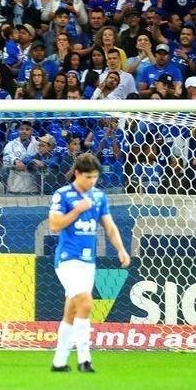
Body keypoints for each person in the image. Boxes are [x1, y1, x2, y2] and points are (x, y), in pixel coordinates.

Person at [47, 153, 131, 373]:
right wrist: (77, 210)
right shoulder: (63, 195)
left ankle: (59, 361)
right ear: (76, 173)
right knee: (86, 303)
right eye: (88, 177)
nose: (91, 182)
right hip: (67, 259)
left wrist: (121, 249)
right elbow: (54, 225)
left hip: (88, 261)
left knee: (72, 311)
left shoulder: (99, 197)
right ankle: (85, 359)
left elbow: (109, 226)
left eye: (94, 177)